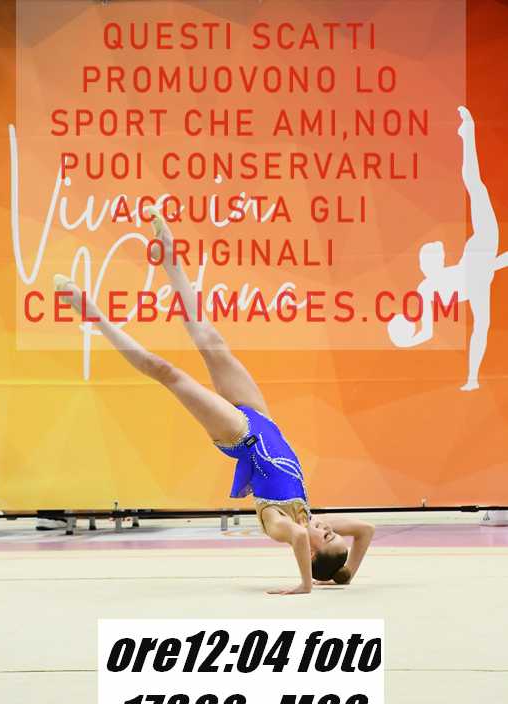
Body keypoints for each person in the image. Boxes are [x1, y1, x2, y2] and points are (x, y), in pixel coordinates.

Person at [54, 218, 374, 595]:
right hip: (261, 417)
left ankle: (88, 310)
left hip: (240, 434)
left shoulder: (279, 526)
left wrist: (306, 585)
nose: (329, 528)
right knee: (210, 339)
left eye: (327, 536)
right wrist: (345, 572)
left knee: (167, 373)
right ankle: (169, 255)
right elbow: (366, 530)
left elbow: (300, 539)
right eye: (333, 532)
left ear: (313, 550)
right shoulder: (309, 518)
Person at [387, 106, 508, 391]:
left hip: (478, 253)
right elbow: (426, 332)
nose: (436, 255)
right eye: (433, 255)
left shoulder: (432, 286)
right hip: (482, 251)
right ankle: (473, 378)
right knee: (481, 325)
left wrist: (407, 338)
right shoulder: (429, 289)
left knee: (474, 184)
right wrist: (406, 339)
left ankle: (468, 132)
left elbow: (491, 265)